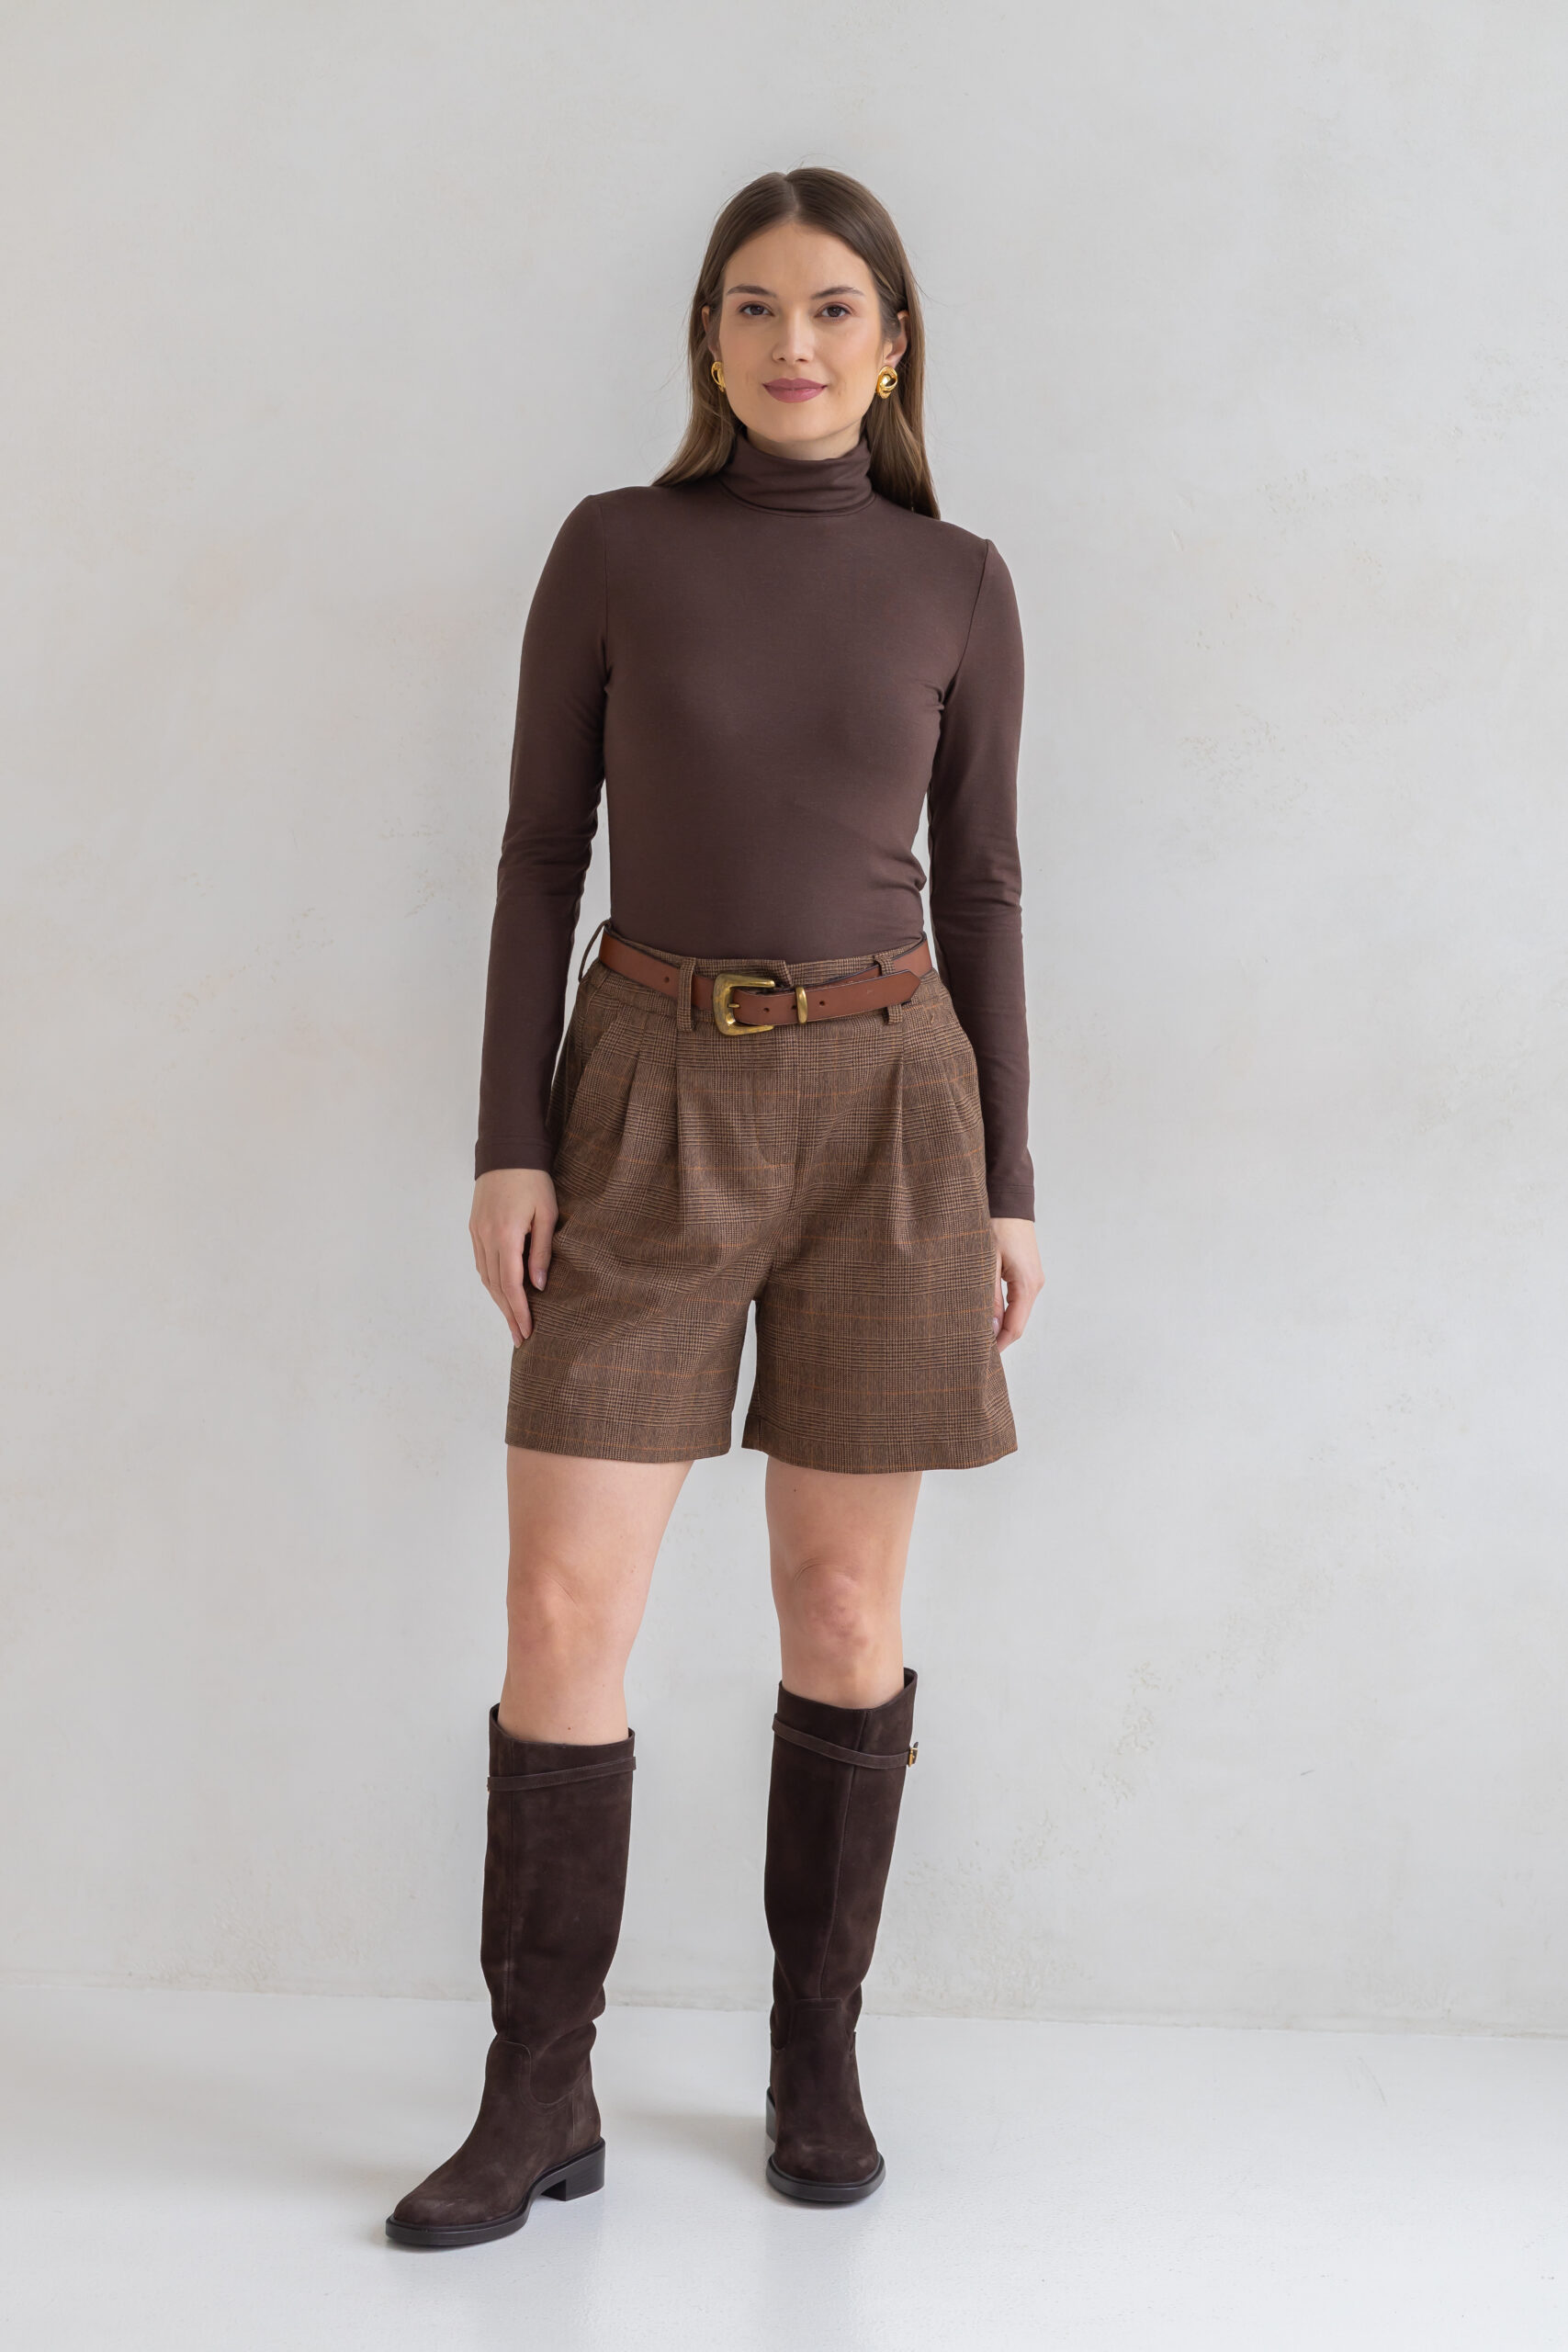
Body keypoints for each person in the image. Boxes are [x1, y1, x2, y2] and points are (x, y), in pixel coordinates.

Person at [386, 164, 1043, 2249]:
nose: (791, 342)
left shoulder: (956, 581)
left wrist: (1009, 1180)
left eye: (832, 308)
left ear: (892, 344)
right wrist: (508, 1137)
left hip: (893, 1111)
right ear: (707, 337)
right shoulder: (614, 549)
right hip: (646, 1085)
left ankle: (812, 2054)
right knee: (561, 1606)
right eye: (752, 306)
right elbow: (533, 853)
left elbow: (985, 888)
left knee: (842, 1609)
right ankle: (536, 2087)